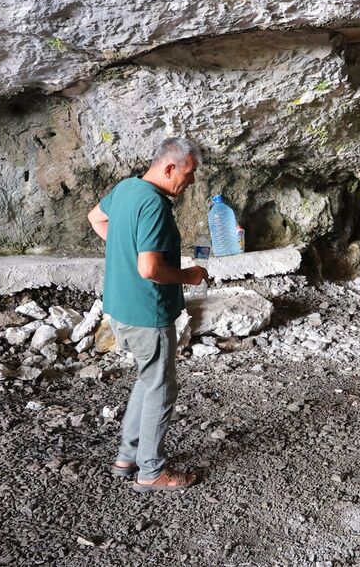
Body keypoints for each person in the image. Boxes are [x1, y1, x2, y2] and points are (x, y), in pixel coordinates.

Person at [87, 137, 210, 492]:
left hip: (120, 309)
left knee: (148, 377)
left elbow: (96, 218)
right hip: (147, 312)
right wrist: (190, 275)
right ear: (169, 167)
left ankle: (128, 457)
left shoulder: (127, 188)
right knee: (162, 388)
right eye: (188, 174)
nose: (190, 182)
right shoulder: (155, 205)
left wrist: (125, 251)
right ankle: (151, 472)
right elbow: (150, 269)